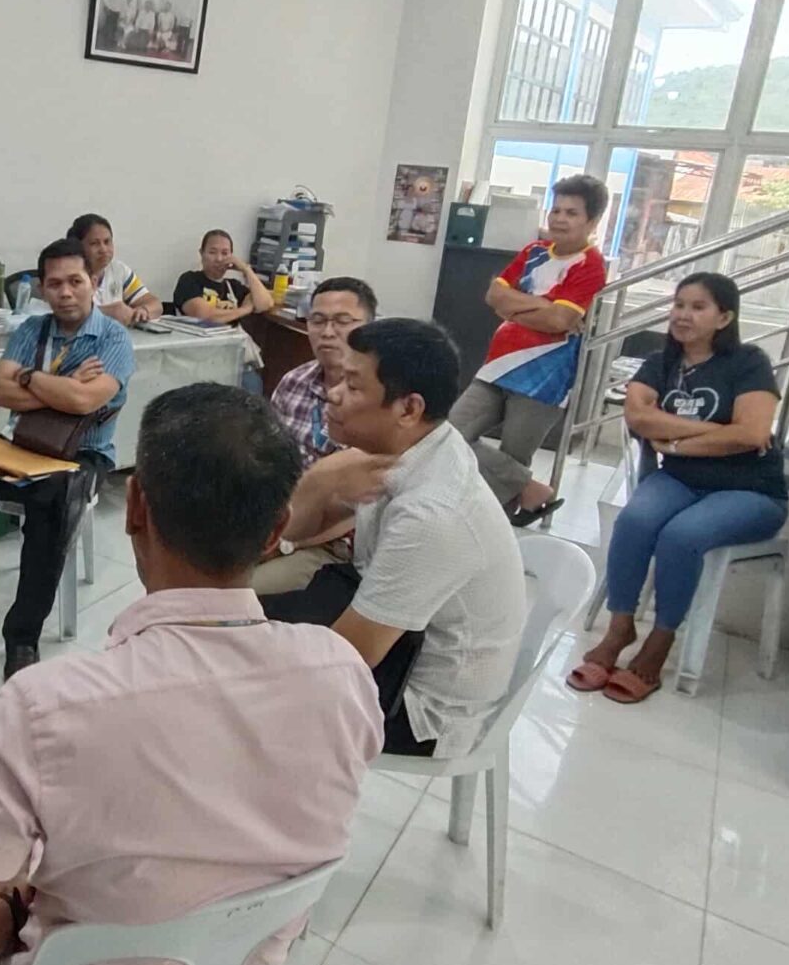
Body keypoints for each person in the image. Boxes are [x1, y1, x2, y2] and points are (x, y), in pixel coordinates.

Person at [0, 384, 383, 965]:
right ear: (277, 528)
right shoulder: (340, 669)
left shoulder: (49, 705)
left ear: (136, 506)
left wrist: (11, 914)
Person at [264, 319, 525, 757]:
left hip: (420, 707)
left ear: (408, 409)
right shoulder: (406, 447)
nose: (333, 394)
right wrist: (320, 481)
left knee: (235, 692)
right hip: (393, 641)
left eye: (353, 385)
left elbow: (348, 657)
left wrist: (259, 665)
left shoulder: (432, 513)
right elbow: (294, 529)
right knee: (230, 632)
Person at [569, 272, 788, 704]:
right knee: (633, 522)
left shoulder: (748, 363)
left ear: (724, 317)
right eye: (679, 305)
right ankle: (620, 628)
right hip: (680, 479)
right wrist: (717, 432)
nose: (683, 315)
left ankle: (661, 639)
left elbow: (751, 434)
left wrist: (673, 442)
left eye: (698, 307)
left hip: (751, 491)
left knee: (681, 536)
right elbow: (638, 417)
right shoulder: (660, 362)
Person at [0, 238, 135, 678]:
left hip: (83, 456)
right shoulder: (31, 330)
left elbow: (85, 402)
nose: (66, 292)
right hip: (22, 446)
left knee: (54, 499)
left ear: (93, 282)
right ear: (42, 289)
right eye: (55, 284)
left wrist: (30, 378)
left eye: (75, 281)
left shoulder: (114, 338)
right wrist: (63, 383)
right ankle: (43, 496)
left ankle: (22, 637)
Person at [448, 175, 609, 524]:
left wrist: (514, 308)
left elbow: (559, 320)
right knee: (448, 434)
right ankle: (532, 490)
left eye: (572, 213)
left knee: (515, 455)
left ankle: (495, 526)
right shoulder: (533, 252)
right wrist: (542, 305)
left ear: (592, 222)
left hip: (544, 377)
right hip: (496, 367)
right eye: (556, 210)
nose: (560, 219)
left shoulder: (591, 264)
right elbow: (494, 295)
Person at [252, 276, 377, 596]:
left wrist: (284, 544)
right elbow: (267, 461)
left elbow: (358, 508)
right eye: (317, 321)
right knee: (190, 571)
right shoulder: (293, 382)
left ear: (369, 327)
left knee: (237, 594)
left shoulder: (381, 399)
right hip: (278, 519)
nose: (327, 332)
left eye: (343, 321)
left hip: (332, 544)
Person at [65, 213, 164, 325]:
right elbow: (61, 316)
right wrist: (106, 313)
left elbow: (155, 304)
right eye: (94, 244)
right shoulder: (64, 275)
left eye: (107, 242)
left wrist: (143, 311)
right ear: (77, 246)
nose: (103, 249)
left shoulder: (119, 270)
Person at [172, 230, 276, 323]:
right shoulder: (189, 280)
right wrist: (245, 310)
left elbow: (265, 304)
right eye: (212, 252)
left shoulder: (234, 286)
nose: (219, 259)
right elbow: (205, 316)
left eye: (225, 253)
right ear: (201, 253)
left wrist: (247, 270)